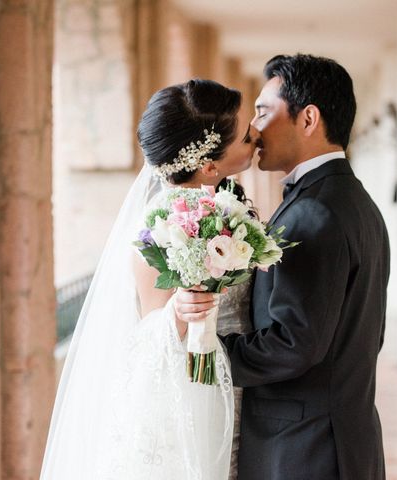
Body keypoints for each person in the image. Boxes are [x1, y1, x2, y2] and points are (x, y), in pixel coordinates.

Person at [175, 54, 391, 479]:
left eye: (262, 112)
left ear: (308, 119)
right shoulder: (353, 201)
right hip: (342, 435)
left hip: (304, 448)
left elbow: (296, 342)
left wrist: (207, 357)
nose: (253, 129)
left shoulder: (315, 213)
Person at [40, 79, 257, 480]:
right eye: (246, 136)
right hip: (192, 394)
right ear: (209, 165)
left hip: (233, 382)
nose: (256, 136)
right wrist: (179, 309)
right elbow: (148, 335)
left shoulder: (223, 202)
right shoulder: (161, 225)